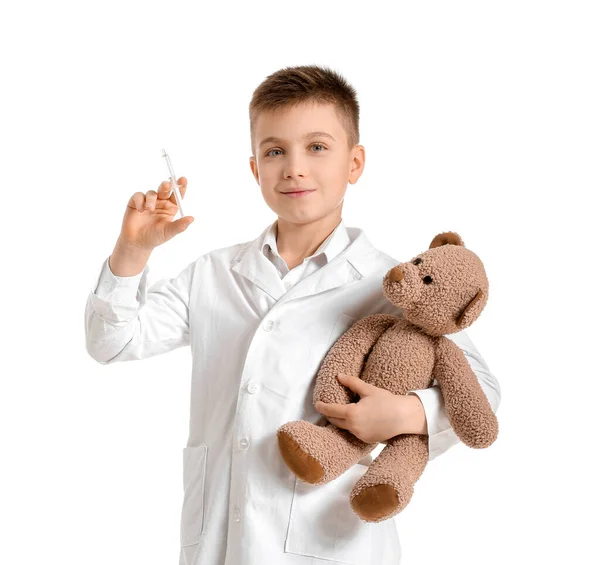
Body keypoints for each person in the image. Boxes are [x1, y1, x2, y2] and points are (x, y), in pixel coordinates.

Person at [85, 64, 501, 565]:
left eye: (317, 147)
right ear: (255, 168)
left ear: (355, 162)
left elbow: (482, 392)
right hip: (219, 540)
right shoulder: (213, 274)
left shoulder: (396, 283)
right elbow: (112, 342)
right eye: (275, 150)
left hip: (331, 542)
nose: (294, 167)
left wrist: (406, 414)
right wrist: (132, 252)